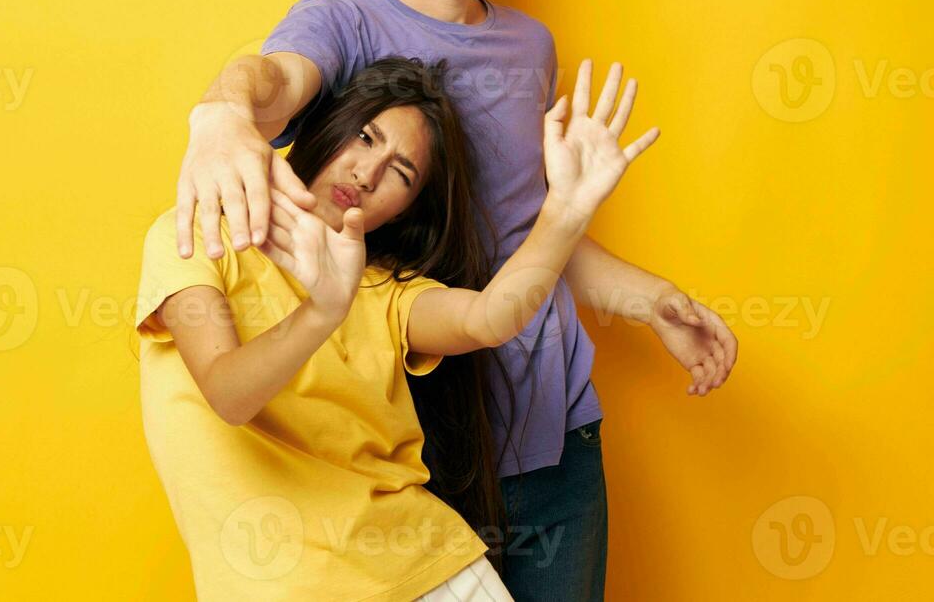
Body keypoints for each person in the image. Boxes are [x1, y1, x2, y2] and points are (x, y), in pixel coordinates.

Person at [173, 0, 737, 598]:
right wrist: (221, 114)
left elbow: (535, 234)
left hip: (557, 441)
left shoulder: (529, 48)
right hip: (410, 457)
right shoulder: (344, 22)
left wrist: (653, 300)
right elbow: (272, 82)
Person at [137, 55, 658, 600]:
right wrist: (322, 310)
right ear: (329, 128)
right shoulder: (202, 231)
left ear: (406, 211)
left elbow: (489, 318)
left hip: (432, 573)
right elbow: (228, 394)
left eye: (401, 172)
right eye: (365, 137)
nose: (366, 174)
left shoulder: (385, 292)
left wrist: (566, 212)